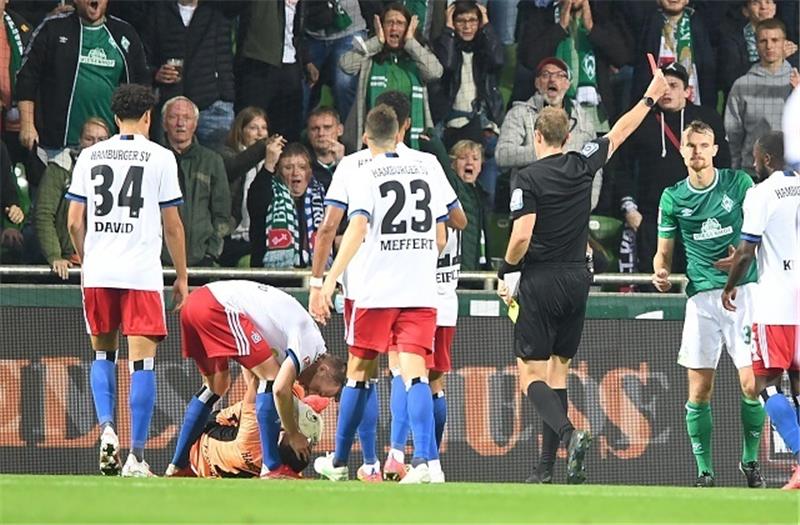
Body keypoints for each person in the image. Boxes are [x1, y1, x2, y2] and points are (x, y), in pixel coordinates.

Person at [496, 66, 668, 485]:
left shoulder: (528, 178)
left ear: (537, 136)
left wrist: (506, 270)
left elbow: (521, 236)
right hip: (578, 280)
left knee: (530, 376)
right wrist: (650, 97)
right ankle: (546, 470)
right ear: (568, 136)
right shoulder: (582, 163)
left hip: (540, 281)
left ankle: (570, 433)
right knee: (558, 373)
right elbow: (621, 131)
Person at [307, 90, 465, 483]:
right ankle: (425, 461)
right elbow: (450, 226)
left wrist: (328, 280)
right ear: (401, 131)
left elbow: (354, 229)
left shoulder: (364, 170)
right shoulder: (427, 165)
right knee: (415, 375)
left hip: (374, 289)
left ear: (366, 137)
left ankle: (341, 461)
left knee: (359, 374)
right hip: (420, 290)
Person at [64, 84, 189, 477]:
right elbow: (173, 225)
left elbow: (73, 221)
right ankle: (135, 456)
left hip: (99, 271)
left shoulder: (90, 156)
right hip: (141, 273)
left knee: (103, 355)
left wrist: (88, 259)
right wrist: (182, 275)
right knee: (142, 364)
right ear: (148, 117)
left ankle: (106, 429)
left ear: (116, 117)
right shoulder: (161, 157)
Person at [652, 120, 766, 488]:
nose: (697, 151)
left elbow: (763, 230)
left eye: (704, 145)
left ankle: (750, 462)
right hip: (702, 300)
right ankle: (705, 471)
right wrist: (661, 272)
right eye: (691, 146)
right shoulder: (673, 197)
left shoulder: (739, 184)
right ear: (682, 151)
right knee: (699, 391)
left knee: (752, 385)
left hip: (744, 294)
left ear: (715, 150)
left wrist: (744, 254)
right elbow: (663, 253)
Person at [165, 280, 345, 479]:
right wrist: (293, 433)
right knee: (271, 378)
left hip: (195, 304)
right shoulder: (310, 345)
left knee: (216, 386)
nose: (310, 392)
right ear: (323, 369)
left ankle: (179, 465)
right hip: (218, 306)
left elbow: (252, 371)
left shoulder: (293, 346)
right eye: (319, 390)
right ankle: (271, 466)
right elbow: (279, 389)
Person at [720, 131, 800, 490]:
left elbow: (747, 251)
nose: (753, 164)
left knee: (763, 385)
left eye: (755, 158)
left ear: (767, 158)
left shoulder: (761, 193)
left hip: (776, 304)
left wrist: (730, 284)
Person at [616, 62, 730, 276]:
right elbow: (622, 167)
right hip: (653, 219)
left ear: (687, 91)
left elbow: (724, 165)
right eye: (662, 86)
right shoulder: (641, 120)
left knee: (698, 280)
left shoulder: (707, 119)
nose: (666, 91)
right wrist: (630, 209)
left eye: (673, 85)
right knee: (655, 282)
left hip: (699, 217)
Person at [15, 0, 149, 157]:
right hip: (58, 146)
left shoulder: (125, 33)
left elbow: (142, 87)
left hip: (112, 147)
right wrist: (27, 125)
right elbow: (27, 77)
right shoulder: (53, 28)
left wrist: (141, 131)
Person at [172, 369, 330, 478]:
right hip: (206, 471)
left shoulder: (254, 433)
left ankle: (177, 464)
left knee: (217, 386)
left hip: (200, 441)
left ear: (289, 440)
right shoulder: (286, 464)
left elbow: (256, 379)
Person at [496, 57, 602, 211]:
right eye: (545, 75)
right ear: (537, 83)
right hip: (532, 207)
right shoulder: (519, 114)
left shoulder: (583, 120)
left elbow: (595, 164)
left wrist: (589, 204)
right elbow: (503, 155)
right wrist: (544, 152)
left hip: (570, 208)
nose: (552, 79)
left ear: (567, 84)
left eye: (560, 75)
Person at [338, 2, 443, 152]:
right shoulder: (370, 54)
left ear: (408, 28)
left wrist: (410, 42)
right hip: (374, 140)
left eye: (400, 23)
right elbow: (346, 65)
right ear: (381, 26)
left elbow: (436, 72)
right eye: (389, 23)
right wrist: (377, 42)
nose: (394, 28)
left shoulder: (417, 54)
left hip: (410, 141)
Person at [141, 0, 237, 150]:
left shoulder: (220, 8)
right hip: (170, 106)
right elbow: (143, 58)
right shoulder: (158, 10)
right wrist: (156, 73)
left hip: (213, 105)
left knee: (216, 162)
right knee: (167, 162)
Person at [34, 117, 109, 279]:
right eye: (89, 139)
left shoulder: (120, 172)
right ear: (80, 141)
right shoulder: (59, 168)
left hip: (105, 261)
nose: (95, 145)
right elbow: (44, 214)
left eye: (102, 140)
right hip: (67, 261)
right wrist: (55, 256)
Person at [162, 96, 231, 267]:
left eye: (186, 118)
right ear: (164, 123)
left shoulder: (212, 161)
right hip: (159, 262)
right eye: (174, 117)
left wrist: (211, 252)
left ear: (195, 124)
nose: (180, 123)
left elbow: (222, 214)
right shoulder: (153, 159)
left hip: (201, 260)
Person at [724, 18, 798, 171]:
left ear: (785, 43)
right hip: (753, 170)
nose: (769, 46)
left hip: (793, 172)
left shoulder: (797, 82)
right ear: (756, 45)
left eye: (775, 40)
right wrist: (735, 171)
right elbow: (733, 134)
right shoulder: (742, 84)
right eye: (763, 41)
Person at [218, 107, 282, 267]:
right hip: (233, 236)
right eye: (253, 128)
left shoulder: (276, 162)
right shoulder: (226, 155)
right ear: (240, 131)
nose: (260, 134)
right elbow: (235, 166)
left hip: (263, 236)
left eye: (264, 128)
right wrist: (263, 147)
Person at [247, 143, 326, 269]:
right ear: (278, 171)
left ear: (310, 172)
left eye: (302, 167)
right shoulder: (268, 192)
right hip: (271, 276)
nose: (295, 173)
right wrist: (268, 165)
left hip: (313, 275)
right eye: (288, 167)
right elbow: (256, 200)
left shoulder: (321, 196)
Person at [631, 0, 716, 109]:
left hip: (693, 96)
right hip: (656, 97)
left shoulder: (698, 23)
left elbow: (707, 68)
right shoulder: (649, 23)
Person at [719, 0, 798, 96]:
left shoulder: (787, 36)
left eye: (768, 2)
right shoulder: (732, 41)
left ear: (775, 7)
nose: (764, 7)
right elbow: (731, 80)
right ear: (745, 11)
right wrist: (773, 60)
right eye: (756, 3)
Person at [306, 107, 345, 190]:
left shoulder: (355, 160)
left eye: (327, 127)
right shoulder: (301, 165)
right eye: (315, 129)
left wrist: (341, 163)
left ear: (340, 130)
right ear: (308, 133)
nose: (321, 133)